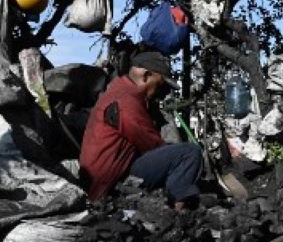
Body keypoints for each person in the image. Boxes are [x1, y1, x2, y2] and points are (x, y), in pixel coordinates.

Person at [79, 49, 202, 210]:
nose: (160, 90)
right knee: (189, 153)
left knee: (175, 154)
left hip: (111, 176)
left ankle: (176, 197)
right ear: (146, 76)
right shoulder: (126, 100)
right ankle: (178, 208)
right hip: (106, 186)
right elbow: (151, 144)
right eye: (160, 84)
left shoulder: (120, 92)